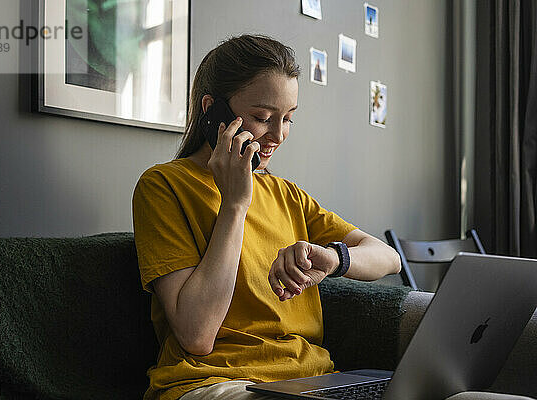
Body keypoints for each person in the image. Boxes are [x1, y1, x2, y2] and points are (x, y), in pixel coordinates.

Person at [132, 34, 401, 400]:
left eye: (288, 119)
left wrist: (335, 258)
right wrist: (235, 205)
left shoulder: (286, 195)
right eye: (262, 117)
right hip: (216, 381)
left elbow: (390, 258)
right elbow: (197, 335)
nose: (278, 135)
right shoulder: (164, 185)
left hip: (311, 381)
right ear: (212, 110)